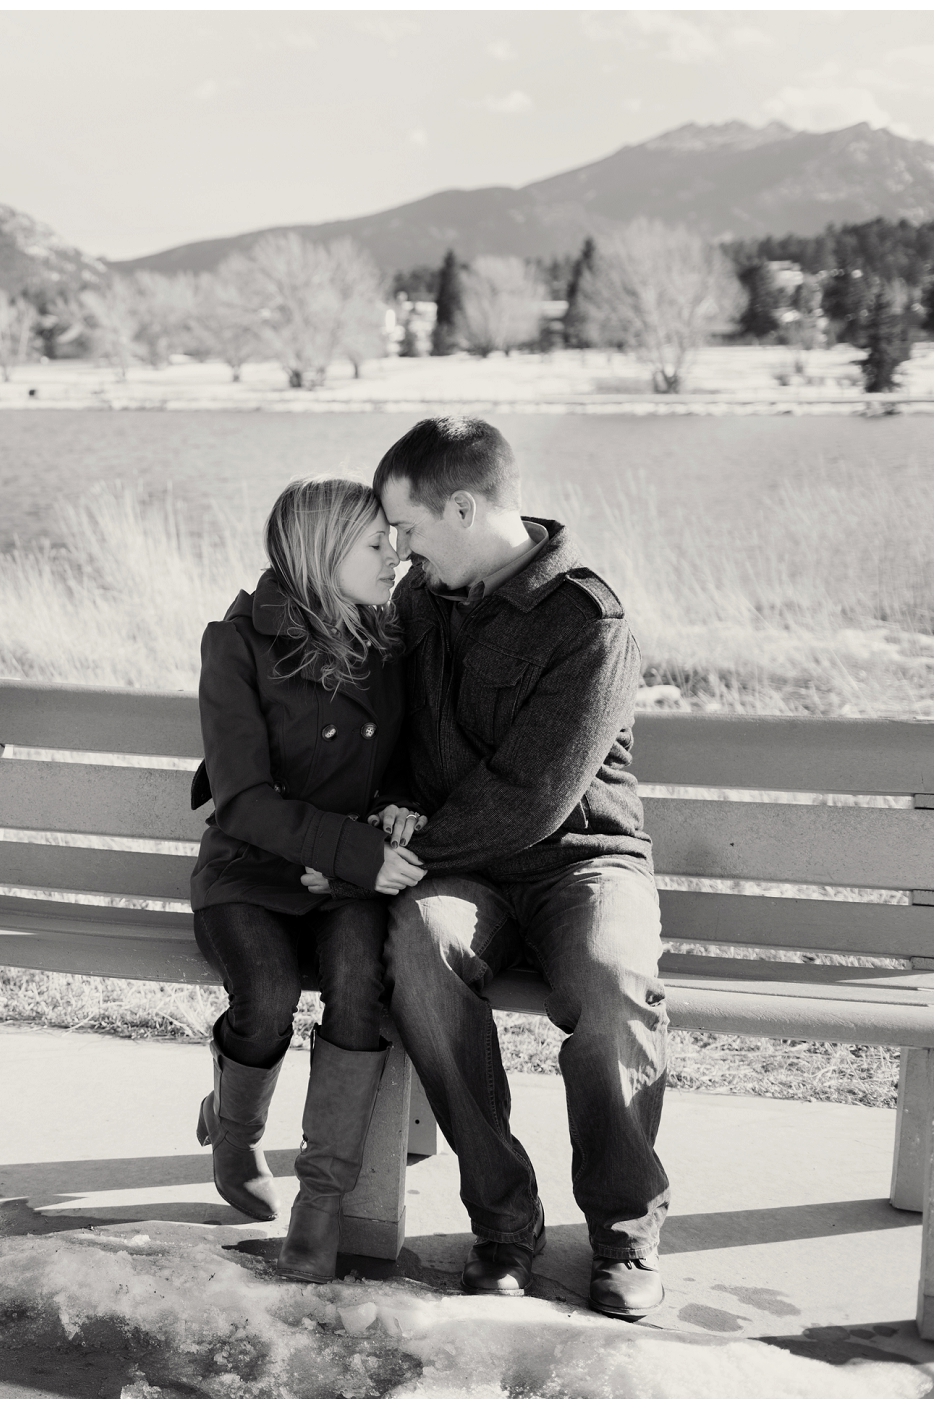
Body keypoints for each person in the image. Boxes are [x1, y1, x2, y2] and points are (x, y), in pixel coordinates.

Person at [321, 415, 667, 1320]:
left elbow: (531, 799)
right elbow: (389, 720)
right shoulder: (423, 600)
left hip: (581, 860)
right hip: (465, 872)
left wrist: (392, 854)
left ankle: (625, 1227)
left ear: (466, 508)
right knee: (420, 945)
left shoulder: (591, 620)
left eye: (410, 529)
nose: (397, 552)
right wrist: (389, 801)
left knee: (609, 983)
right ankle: (504, 1222)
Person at [188, 476, 426, 1283]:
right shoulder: (236, 643)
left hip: (352, 877)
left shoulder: (391, 640)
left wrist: (402, 806)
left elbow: (409, 759)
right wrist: (351, 851)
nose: (394, 556)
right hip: (251, 871)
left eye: (393, 542)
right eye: (373, 545)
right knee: (266, 993)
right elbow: (243, 798)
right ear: (323, 555)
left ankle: (319, 1201)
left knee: (361, 984)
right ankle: (234, 1128)